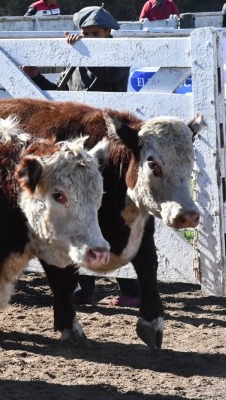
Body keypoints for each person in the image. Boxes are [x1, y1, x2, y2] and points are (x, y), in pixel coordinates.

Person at [22, 6, 140, 307]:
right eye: (87, 34)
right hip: (80, 148)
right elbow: (60, 94)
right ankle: (85, 288)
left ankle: (130, 291)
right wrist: (38, 78)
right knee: (83, 217)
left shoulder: (113, 55)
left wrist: (82, 50)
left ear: (108, 33)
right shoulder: (78, 55)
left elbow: (108, 75)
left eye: (95, 34)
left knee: (111, 214)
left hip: (106, 147)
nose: (90, 38)